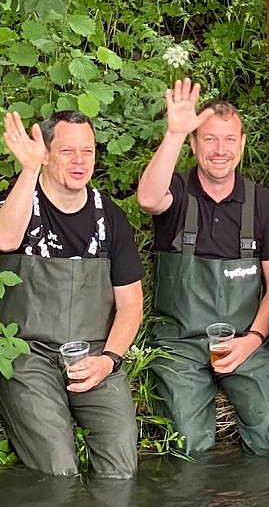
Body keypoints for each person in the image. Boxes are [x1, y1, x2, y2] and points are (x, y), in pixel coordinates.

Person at [136, 79, 269, 456]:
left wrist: (252, 340)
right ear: (193, 144)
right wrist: (173, 133)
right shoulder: (177, 192)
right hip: (180, 344)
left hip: (246, 341)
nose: (220, 150)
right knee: (186, 442)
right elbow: (147, 198)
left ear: (242, 143)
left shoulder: (265, 206)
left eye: (229, 139)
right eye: (209, 139)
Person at [0, 110, 143, 478]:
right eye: (67, 151)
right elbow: (5, 239)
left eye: (88, 151)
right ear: (45, 154)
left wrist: (109, 360)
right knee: (58, 468)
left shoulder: (109, 217)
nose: (80, 161)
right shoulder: (18, 201)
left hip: (95, 354)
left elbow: (130, 304)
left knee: (121, 469)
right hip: (27, 355)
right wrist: (28, 171)